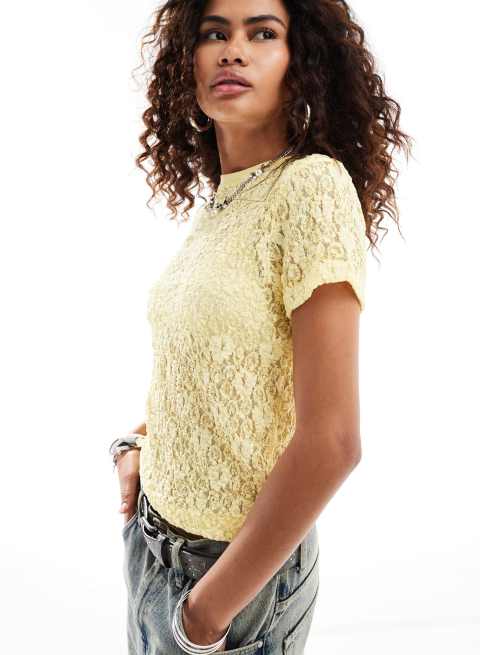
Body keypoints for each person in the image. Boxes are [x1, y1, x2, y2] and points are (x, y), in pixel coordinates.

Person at [111, 1, 413, 653]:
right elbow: (214, 369)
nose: (233, 49)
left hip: (231, 583)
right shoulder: (223, 203)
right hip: (153, 548)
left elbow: (333, 441)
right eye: (213, 33)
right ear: (186, 63)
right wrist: (136, 444)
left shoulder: (310, 187)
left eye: (263, 33)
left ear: (301, 63)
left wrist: (205, 613)